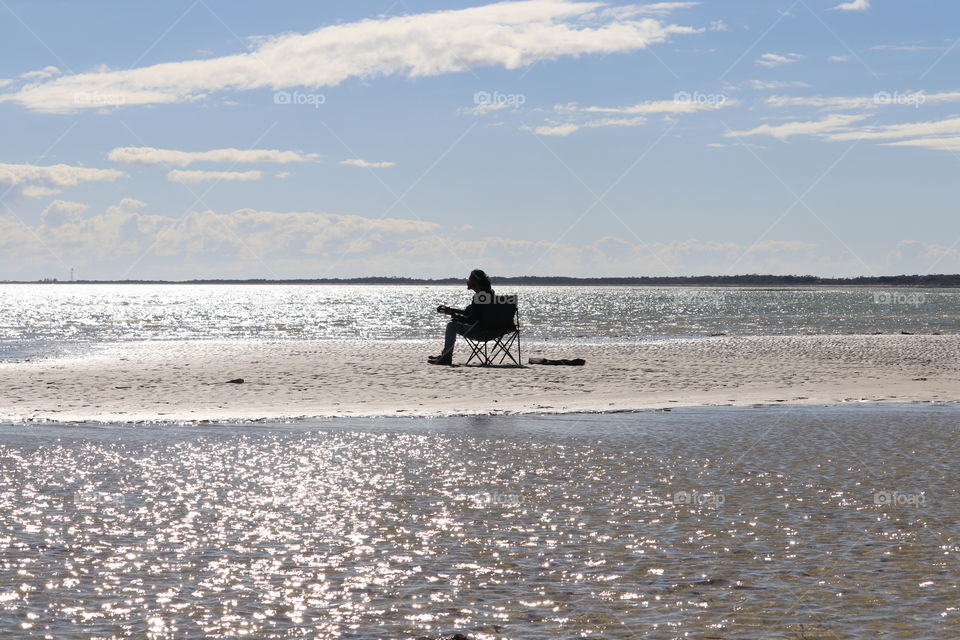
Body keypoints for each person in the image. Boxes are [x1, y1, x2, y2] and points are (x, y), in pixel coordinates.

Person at [429, 269, 495, 365]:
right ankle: (445, 355)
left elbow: (472, 320)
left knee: (451, 326)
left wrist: (454, 316)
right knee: (453, 324)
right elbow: (473, 314)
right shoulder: (489, 294)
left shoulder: (479, 298)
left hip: (481, 331)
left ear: (475, 282)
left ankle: (446, 357)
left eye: (469, 279)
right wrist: (453, 312)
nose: (467, 281)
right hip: (495, 330)